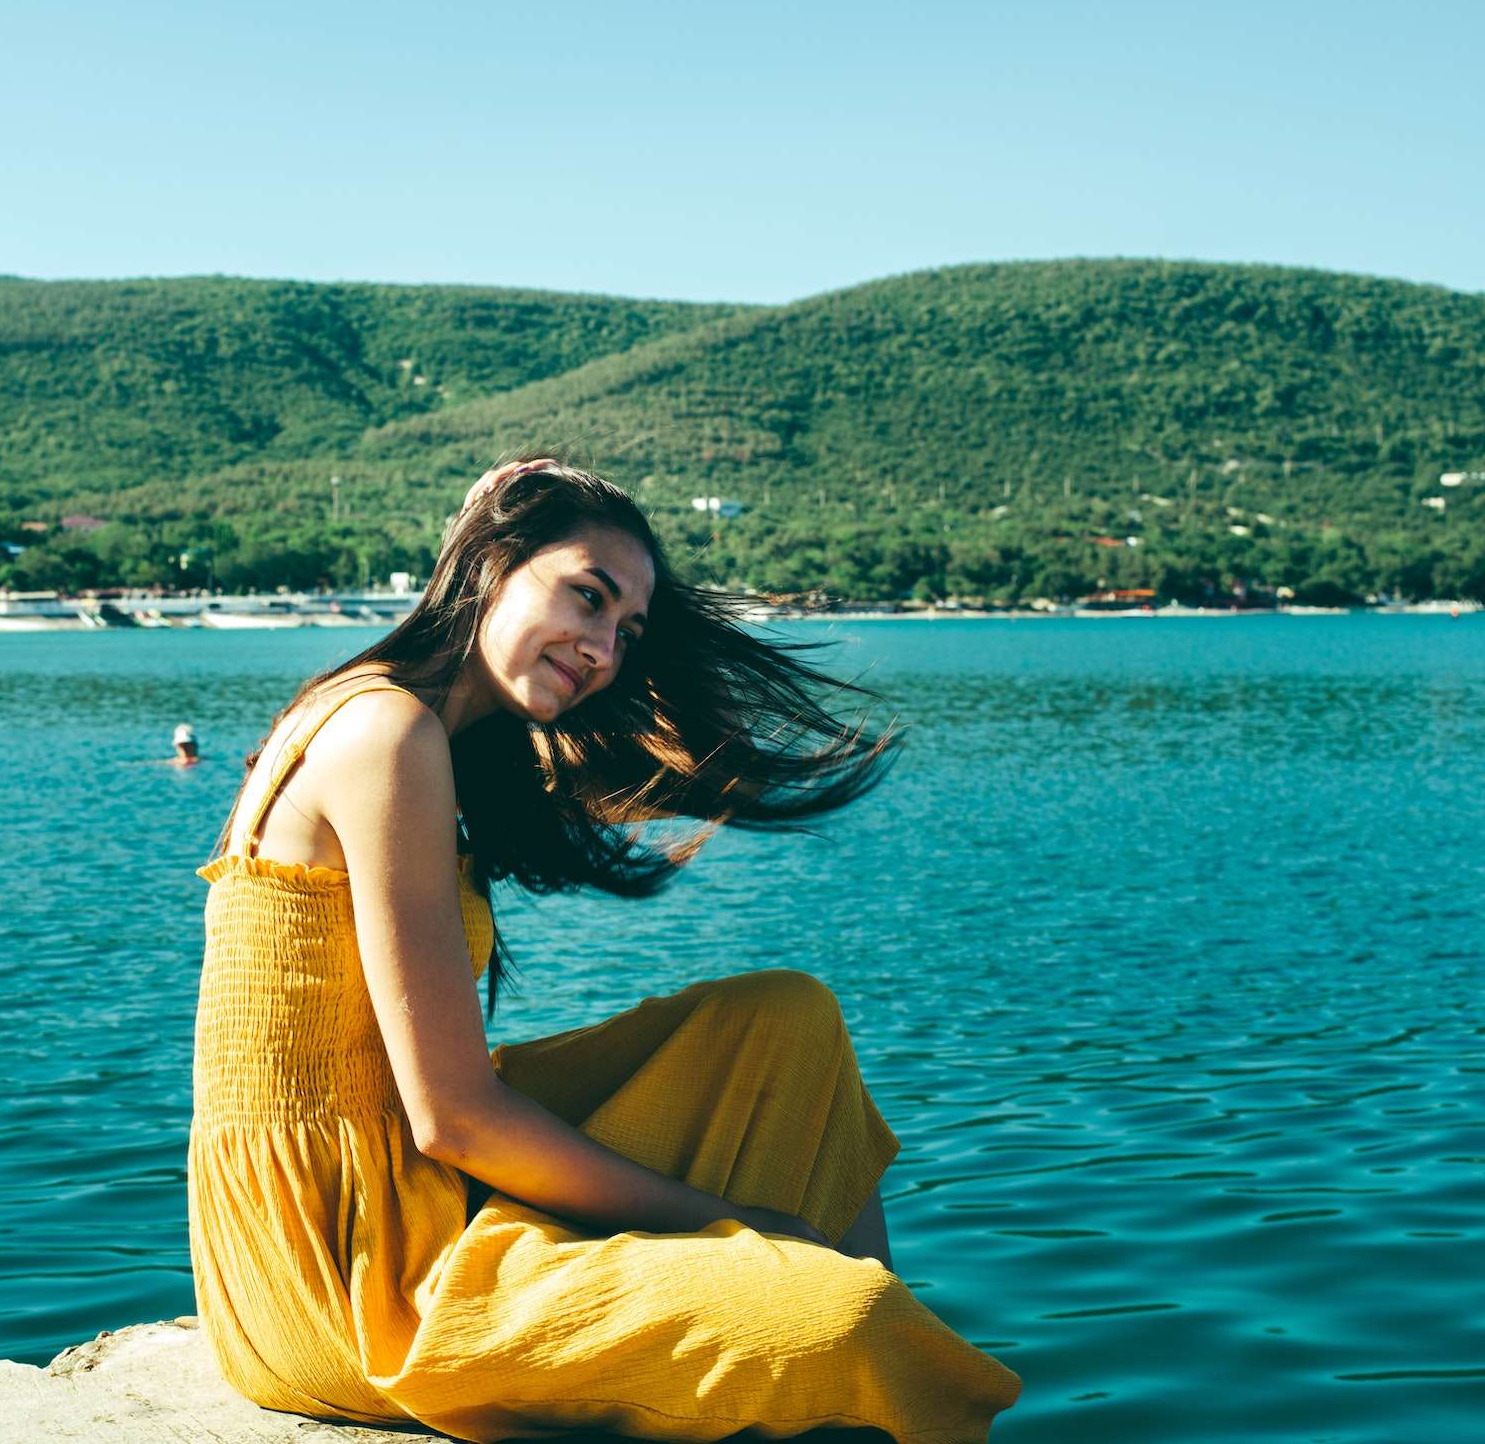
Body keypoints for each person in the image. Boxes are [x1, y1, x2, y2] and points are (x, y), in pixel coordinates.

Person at [189, 459, 1021, 1442]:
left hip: (389, 1190)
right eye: (587, 596)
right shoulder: (385, 730)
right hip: (346, 1267)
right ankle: (850, 1364)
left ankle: (828, 1360)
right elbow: (452, 1121)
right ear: (491, 561)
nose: (601, 648)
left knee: (782, 1020)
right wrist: (728, 1223)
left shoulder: (401, 721)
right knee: (844, 1319)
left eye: (625, 630)